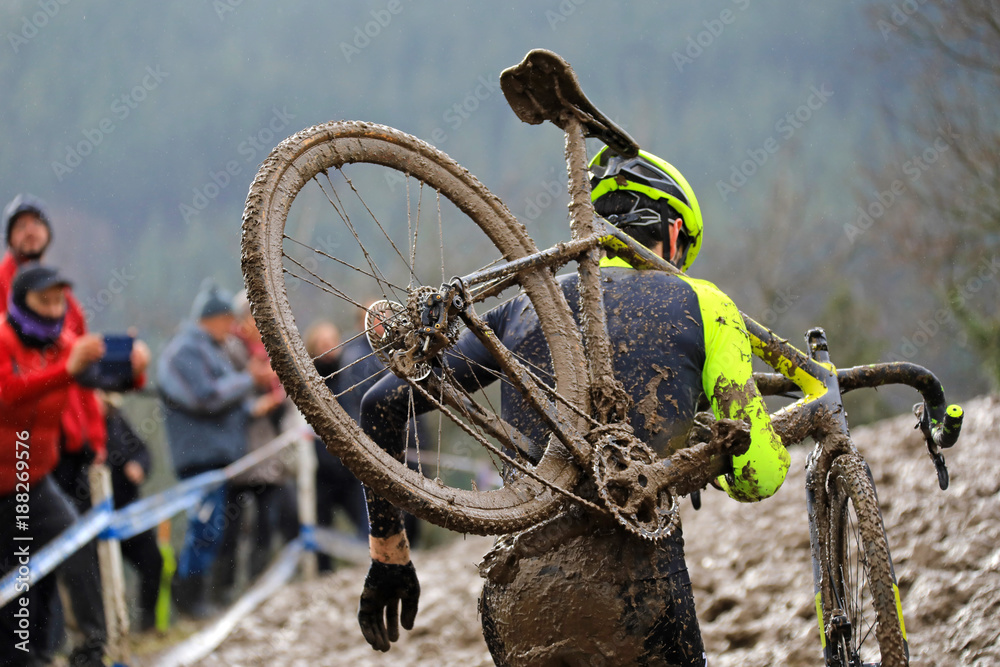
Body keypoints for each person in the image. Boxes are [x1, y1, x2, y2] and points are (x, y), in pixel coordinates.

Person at [355, 149, 790, 665]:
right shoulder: (705, 303)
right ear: (673, 235)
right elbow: (757, 476)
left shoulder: (522, 306)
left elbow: (380, 404)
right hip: (640, 595)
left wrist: (390, 556)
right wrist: (707, 463)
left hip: (521, 598)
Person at [0, 264, 145, 667]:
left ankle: (90, 650)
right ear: (20, 303)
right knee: (15, 574)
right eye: (43, 301)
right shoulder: (3, 339)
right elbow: (8, 395)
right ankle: (19, 658)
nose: (52, 309)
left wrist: (133, 368)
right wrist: (66, 370)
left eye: (58, 300)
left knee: (73, 547)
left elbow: (100, 378)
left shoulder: (63, 343)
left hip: (34, 477)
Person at [157, 280, 274, 619]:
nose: (233, 328)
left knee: (216, 529)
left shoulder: (212, 349)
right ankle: (189, 599)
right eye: (229, 320)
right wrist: (248, 381)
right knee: (204, 529)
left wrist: (255, 405)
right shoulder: (185, 351)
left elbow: (228, 402)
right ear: (213, 318)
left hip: (218, 456)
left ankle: (203, 598)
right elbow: (205, 398)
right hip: (199, 457)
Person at [215, 291, 298, 599]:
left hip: (267, 451)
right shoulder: (228, 348)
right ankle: (222, 590)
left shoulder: (270, 348)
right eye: (252, 316)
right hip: (238, 451)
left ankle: (258, 584)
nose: (257, 322)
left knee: (268, 519)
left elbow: (285, 392)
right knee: (230, 526)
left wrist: (275, 398)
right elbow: (220, 396)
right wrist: (254, 401)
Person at [305, 321, 369, 573]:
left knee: (366, 520)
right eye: (322, 343)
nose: (328, 348)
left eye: (332, 341)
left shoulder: (350, 372)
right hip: (319, 468)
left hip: (349, 463)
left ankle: (374, 563)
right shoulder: (306, 379)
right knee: (321, 524)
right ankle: (322, 574)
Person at [98, 391, 164, 633]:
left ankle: (148, 624)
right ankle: (104, 635)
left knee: (153, 562)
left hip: (128, 514)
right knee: (97, 581)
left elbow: (142, 451)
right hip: (93, 520)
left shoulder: (117, 420)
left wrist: (139, 465)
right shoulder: (79, 427)